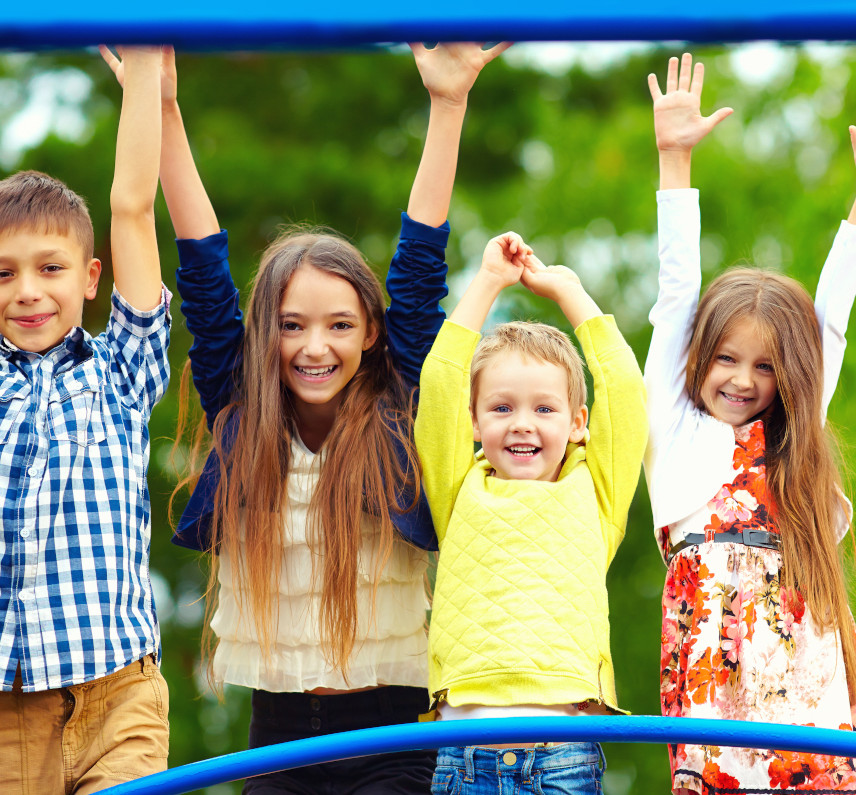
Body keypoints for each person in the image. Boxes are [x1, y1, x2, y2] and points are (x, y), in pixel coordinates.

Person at [102, 43, 505, 793]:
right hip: (278, 736)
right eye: (292, 326)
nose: (314, 347)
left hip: (394, 734)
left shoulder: (397, 407)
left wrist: (448, 106)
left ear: (373, 334)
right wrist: (163, 108)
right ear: (267, 334)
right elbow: (203, 265)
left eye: (339, 326)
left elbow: (419, 264)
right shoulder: (244, 410)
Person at [645, 53, 856, 794]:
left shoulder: (790, 438)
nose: (742, 380)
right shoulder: (676, 427)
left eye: (764, 367)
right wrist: (675, 158)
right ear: (699, 358)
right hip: (716, 662)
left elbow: (830, 319)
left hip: (809, 656)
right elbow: (676, 295)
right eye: (727, 358)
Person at [414, 231, 648, 794]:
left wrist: (571, 296)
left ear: (577, 422)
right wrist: (489, 281)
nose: (521, 422)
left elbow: (625, 391)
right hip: (463, 759)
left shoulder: (595, 493)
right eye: (501, 407)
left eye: (544, 408)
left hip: (561, 757)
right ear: (474, 422)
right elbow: (441, 381)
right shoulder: (458, 487)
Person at [0, 48, 171, 792]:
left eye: (50, 267)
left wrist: (141, 72)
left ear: (91, 278)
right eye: (2, 272)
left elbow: (132, 207)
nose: (27, 290)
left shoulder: (121, 372)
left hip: (117, 695)